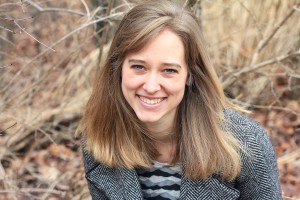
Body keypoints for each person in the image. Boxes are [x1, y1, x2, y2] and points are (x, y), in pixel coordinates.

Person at [76, 0, 282, 199]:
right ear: (118, 68)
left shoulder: (245, 144)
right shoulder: (98, 139)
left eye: (169, 70)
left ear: (190, 75)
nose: (151, 86)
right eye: (139, 67)